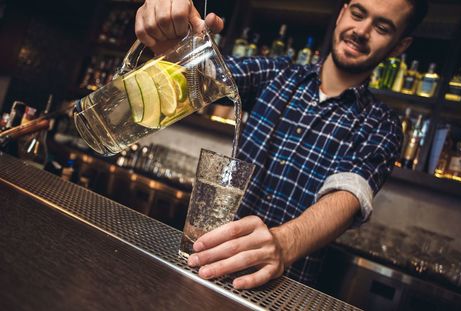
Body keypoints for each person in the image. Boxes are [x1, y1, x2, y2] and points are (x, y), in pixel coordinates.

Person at [135, 0, 428, 289]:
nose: (361, 31)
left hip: (284, 291)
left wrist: (283, 243)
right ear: (342, 13)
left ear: (401, 45)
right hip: (210, 266)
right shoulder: (277, 74)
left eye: (382, 26)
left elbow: (349, 195)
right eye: (358, 13)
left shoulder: (381, 125)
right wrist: (169, 42)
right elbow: (202, 77)